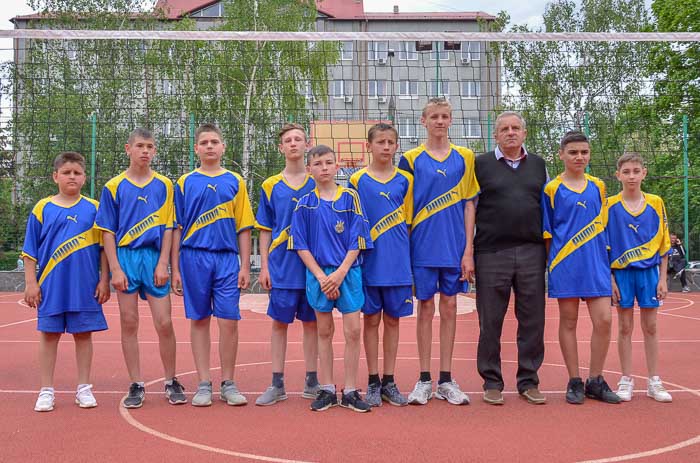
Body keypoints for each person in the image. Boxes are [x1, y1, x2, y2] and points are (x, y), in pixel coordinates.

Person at [96, 128, 186, 408]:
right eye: (139, 146)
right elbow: (107, 231)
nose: (145, 151)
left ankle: (171, 381)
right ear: (128, 149)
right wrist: (115, 269)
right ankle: (136, 383)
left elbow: (170, 227)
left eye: (149, 146)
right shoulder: (113, 186)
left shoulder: (165, 186)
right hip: (125, 258)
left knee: (165, 322)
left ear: (155, 151)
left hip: (153, 258)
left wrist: (164, 264)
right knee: (129, 322)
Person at [398, 97, 479, 406]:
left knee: (449, 308)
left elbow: (469, 204)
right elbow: (405, 208)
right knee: (425, 310)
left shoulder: (466, 156)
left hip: (454, 247)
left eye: (445, 116)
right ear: (424, 121)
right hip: (422, 247)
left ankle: (446, 379)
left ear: (451, 120)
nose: (440, 121)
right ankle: (423, 379)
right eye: (434, 116)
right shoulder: (411, 158)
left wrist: (468, 250)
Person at [171, 123, 254, 407]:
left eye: (214, 141)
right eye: (204, 142)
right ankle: (203, 383)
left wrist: (245, 266)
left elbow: (244, 226)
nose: (209, 146)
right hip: (193, 256)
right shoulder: (184, 182)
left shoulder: (236, 181)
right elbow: (176, 227)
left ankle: (228, 382)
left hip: (227, 258)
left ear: (223, 147)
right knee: (200, 319)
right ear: (196, 148)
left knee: (229, 320)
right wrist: (176, 268)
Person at [22, 151, 110, 412]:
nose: (72, 176)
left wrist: (104, 279)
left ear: (84, 177)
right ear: (55, 176)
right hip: (51, 285)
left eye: (77, 173)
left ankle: (83, 388)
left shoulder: (94, 208)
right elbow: (30, 251)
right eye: (66, 172)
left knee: (83, 335)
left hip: (84, 286)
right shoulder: (42, 208)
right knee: (49, 335)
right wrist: (30, 283)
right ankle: (46, 390)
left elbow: (104, 250)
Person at [289, 145, 373, 412]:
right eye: (318, 163)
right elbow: (300, 244)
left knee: (353, 331)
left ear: (337, 166)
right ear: (310, 169)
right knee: (323, 331)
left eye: (328, 162)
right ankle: (326, 388)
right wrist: (321, 276)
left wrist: (338, 274)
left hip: (347, 273)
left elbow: (357, 240)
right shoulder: (304, 204)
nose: (324, 167)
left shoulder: (350, 198)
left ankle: (349, 390)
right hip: (318, 275)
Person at [473, 111, 548, 405]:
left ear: (524, 133)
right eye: (504, 129)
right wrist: (468, 253)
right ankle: (492, 381)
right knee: (490, 321)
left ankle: (528, 381)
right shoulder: (480, 165)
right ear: (496, 135)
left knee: (533, 321)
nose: (510, 133)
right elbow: (470, 209)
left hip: (531, 251)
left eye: (516, 128)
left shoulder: (539, 165)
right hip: (491, 252)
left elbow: (549, 207)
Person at [542, 131, 620, 405]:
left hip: (596, 264)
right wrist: (555, 266)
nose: (579, 157)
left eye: (584, 152)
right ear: (561, 154)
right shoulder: (551, 189)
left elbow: (604, 229)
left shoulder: (598, 186)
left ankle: (595, 380)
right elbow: (548, 232)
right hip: (566, 265)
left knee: (604, 320)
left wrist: (609, 270)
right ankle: (574, 380)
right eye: (573, 152)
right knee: (569, 322)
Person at [254, 123, 320, 406]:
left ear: (307, 145)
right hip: (281, 266)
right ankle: (277, 383)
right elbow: (265, 228)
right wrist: (265, 266)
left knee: (312, 324)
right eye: (288, 140)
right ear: (281, 148)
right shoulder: (270, 185)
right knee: (279, 324)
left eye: (298, 139)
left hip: (314, 267)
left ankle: (312, 381)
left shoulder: (319, 181)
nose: (293, 144)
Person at [349, 123, 413, 407]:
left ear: (396, 146)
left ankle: (389, 380)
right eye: (381, 142)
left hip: (398, 262)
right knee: (371, 320)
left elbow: (410, 224)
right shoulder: (357, 180)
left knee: (393, 320)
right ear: (369, 146)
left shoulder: (405, 181)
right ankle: (373, 380)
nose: (386, 147)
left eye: (391, 142)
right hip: (369, 261)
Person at [608, 152, 672, 402]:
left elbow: (664, 243)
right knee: (624, 327)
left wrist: (663, 278)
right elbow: (605, 245)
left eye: (636, 171)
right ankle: (626, 379)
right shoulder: (609, 205)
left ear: (644, 173)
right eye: (626, 172)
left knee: (651, 327)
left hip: (649, 273)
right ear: (618, 175)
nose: (632, 176)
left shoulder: (656, 202)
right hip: (622, 273)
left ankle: (654, 380)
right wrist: (611, 279)